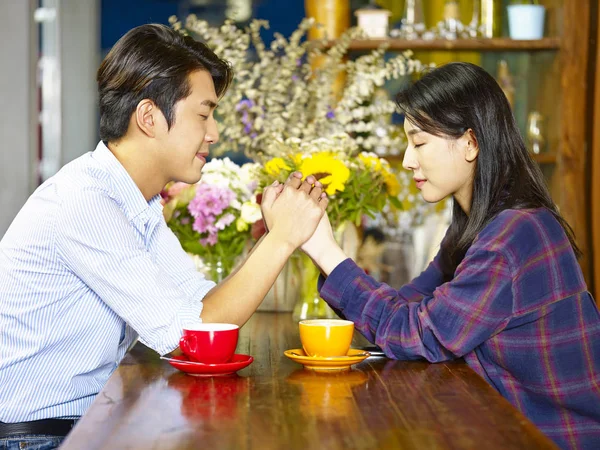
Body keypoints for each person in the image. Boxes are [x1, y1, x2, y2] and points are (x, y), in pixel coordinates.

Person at [0, 24, 327, 449]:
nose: (214, 134)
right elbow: (191, 335)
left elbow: (203, 307)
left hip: (87, 423)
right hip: (39, 438)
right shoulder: (85, 201)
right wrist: (281, 240)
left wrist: (275, 237)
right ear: (149, 117)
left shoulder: (136, 202)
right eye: (204, 114)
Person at [279, 62, 600, 450]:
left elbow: (417, 333)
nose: (408, 161)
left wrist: (327, 251)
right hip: (502, 426)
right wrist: (322, 249)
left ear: (470, 142)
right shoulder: (478, 226)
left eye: (419, 143)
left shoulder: (513, 235)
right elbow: (407, 310)